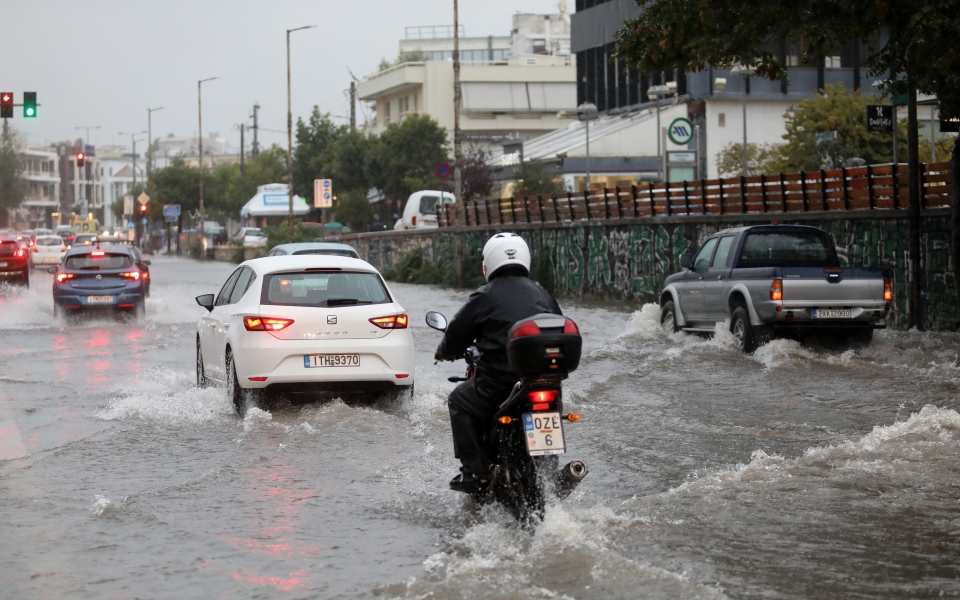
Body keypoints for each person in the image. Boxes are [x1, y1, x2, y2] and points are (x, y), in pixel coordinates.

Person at [435, 233, 562, 493]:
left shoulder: (485, 296)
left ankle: (477, 470)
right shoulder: (542, 293)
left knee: (458, 401)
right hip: (544, 383)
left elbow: (456, 336)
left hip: (498, 385)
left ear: (489, 263)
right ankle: (549, 474)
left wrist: (444, 351)